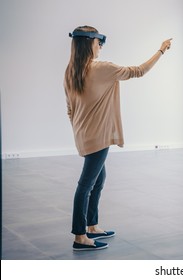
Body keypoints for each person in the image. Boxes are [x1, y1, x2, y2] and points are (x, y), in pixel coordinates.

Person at [64, 25, 172, 251]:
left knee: (98, 179)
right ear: (89, 44)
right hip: (98, 136)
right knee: (85, 185)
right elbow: (139, 71)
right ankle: (80, 236)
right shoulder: (103, 68)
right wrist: (161, 50)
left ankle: (92, 226)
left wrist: (81, 129)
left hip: (83, 134)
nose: (100, 46)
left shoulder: (71, 70)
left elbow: (70, 109)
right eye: (98, 42)